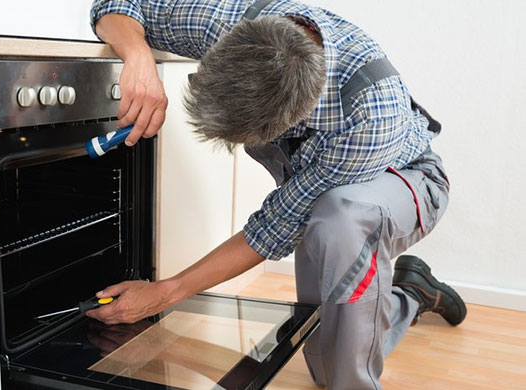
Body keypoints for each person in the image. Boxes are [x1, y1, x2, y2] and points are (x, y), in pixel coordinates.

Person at [86, 0, 467, 388]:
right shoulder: (224, 21)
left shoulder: (370, 113)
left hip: (409, 180)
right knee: (323, 358)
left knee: (341, 217)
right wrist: (137, 57)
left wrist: (166, 293)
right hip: (323, 200)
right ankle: (412, 293)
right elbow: (115, 4)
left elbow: (277, 225)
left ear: (296, 118)